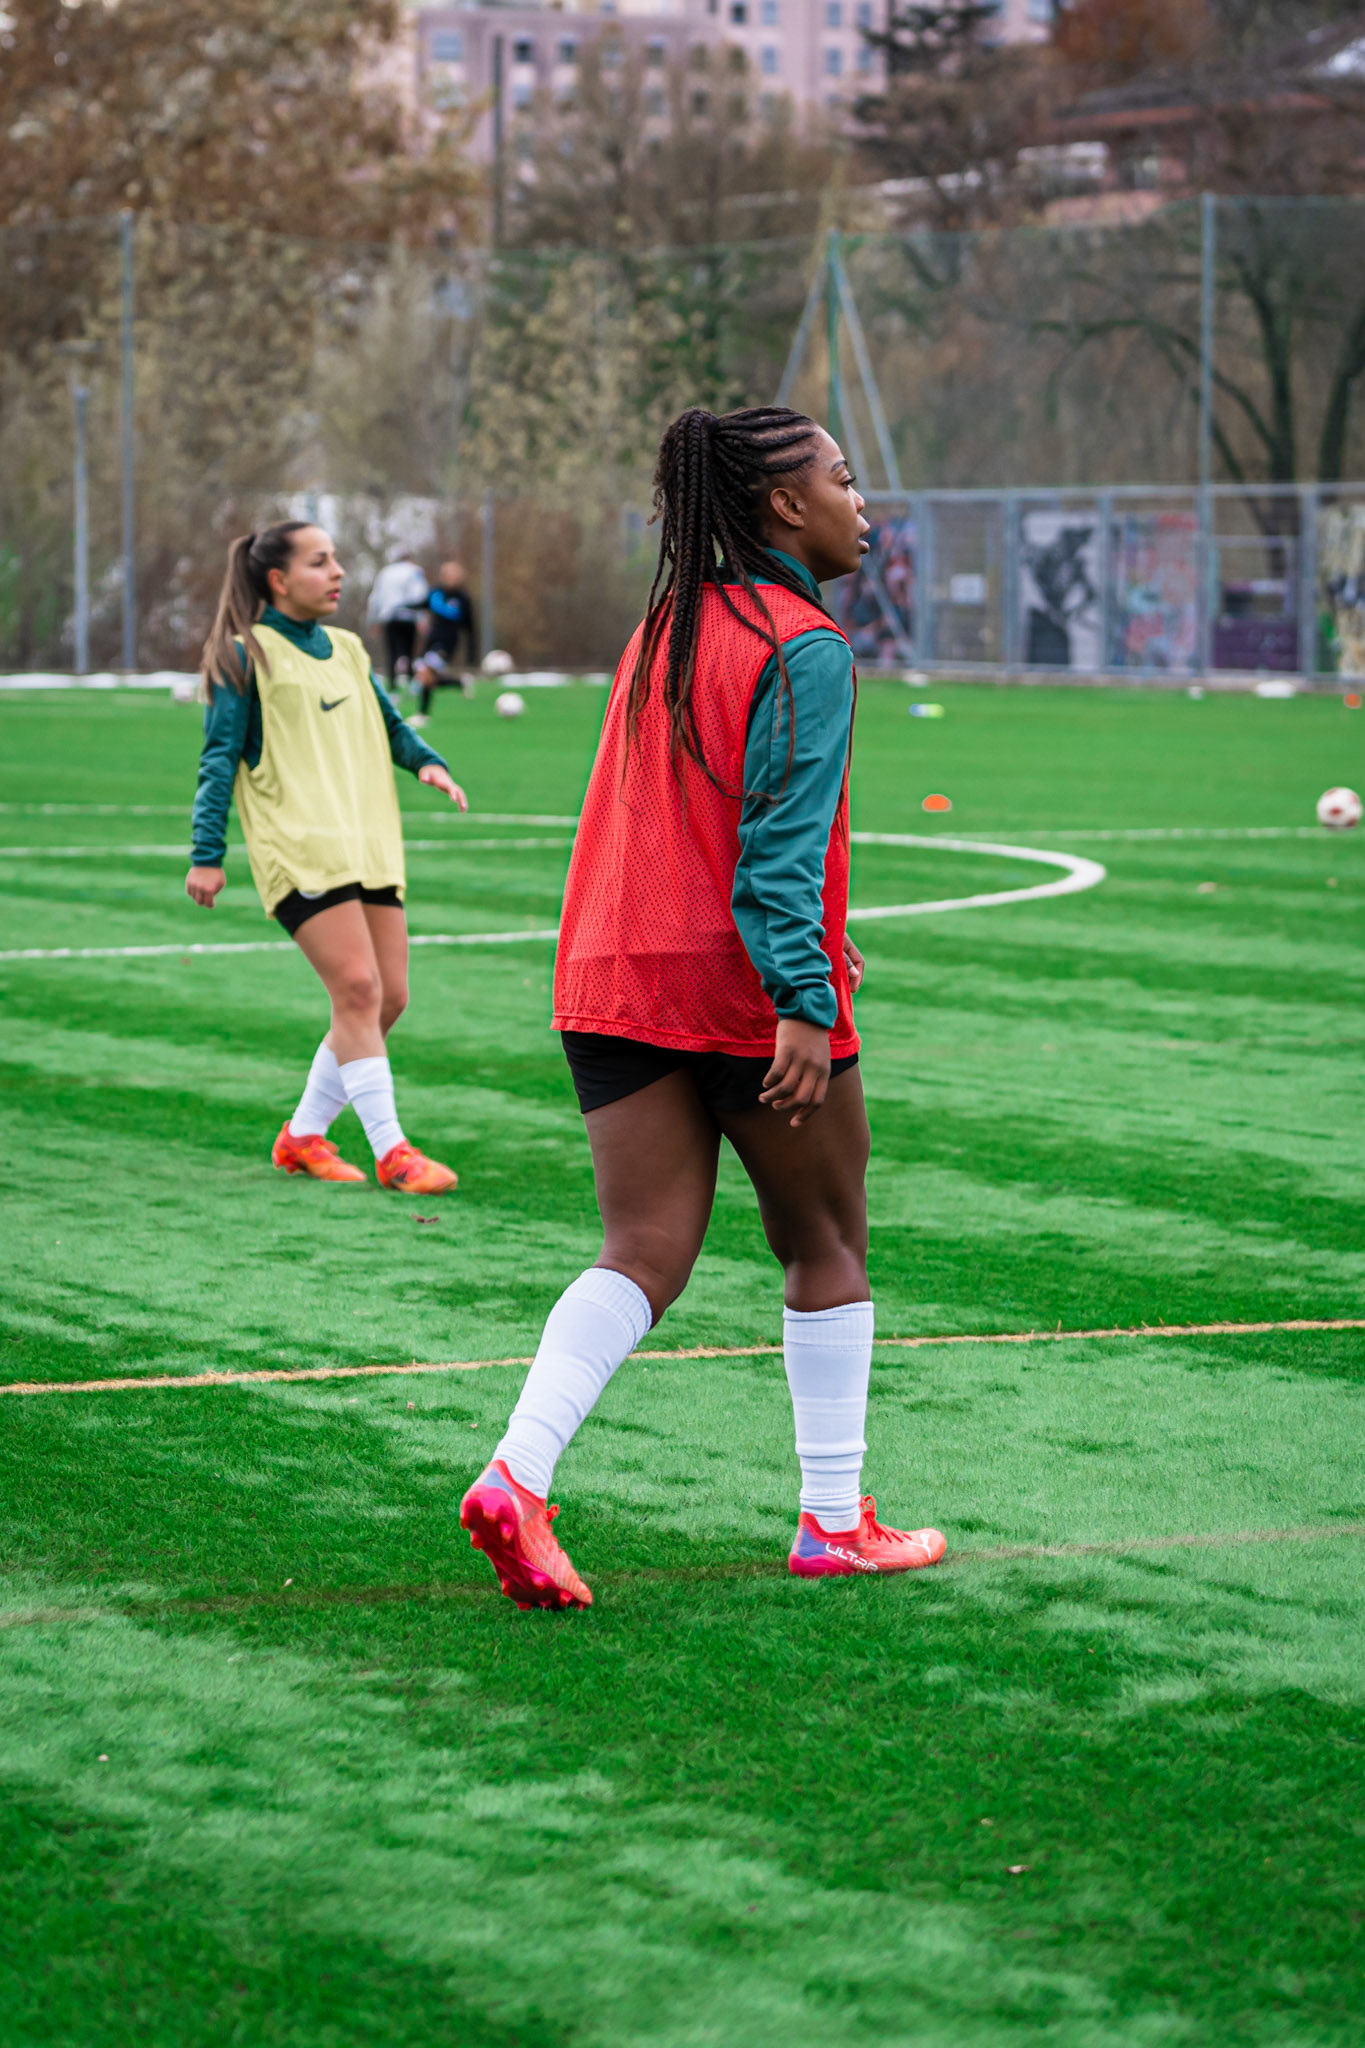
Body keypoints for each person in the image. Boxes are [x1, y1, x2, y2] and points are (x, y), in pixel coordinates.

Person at [459, 406, 946, 1609]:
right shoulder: (806, 642)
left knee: (641, 1253)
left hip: (610, 972)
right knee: (825, 1242)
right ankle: (834, 1519)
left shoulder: (666, 624)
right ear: (784, 504)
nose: (860, 500)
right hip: (742, 988)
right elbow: (774, 853)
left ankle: (519, 1475)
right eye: (842, 476)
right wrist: (801, 998)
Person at [185, 521, 467, 1194]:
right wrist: (207, 852)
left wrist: (425, 764)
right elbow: (218, 758)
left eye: (336, 558)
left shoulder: (346, 648)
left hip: (365, 843)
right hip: (300, 848)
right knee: (358, 991)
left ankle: (302, 1137)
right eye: (320, 562)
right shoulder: (243, 655)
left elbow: (391, 725)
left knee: (388, 998)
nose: (337, 571)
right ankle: (392, 1151)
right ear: (278, 581)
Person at [410, 559, 479, 727]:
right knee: (427, 677)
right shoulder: (436, 593)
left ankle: (422, 715)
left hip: (448, 644)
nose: (451, 578)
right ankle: (459, 683)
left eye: (454, 574)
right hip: (432, 640)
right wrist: (400, 607)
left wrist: (472, 653)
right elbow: (421, 604)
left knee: (426, 673)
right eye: (448, 574)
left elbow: (470, 628)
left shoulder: (463, 599)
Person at [366, 553, 428, 688]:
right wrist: (422, 618)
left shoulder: (385, 572)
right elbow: (420, 595)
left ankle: (392, 686)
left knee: (392, 652)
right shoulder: (415, 571)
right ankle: (411, 684)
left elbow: (375, 597)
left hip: (390, 617)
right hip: (409, 617)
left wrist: (374, 620)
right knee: (410, 651)